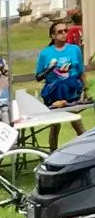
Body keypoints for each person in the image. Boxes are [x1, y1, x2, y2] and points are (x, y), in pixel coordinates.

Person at [35, 19, 86, 149]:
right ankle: (52, 152)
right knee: (55, 126)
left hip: (71, 92)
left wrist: (86, 90)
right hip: (54, 94)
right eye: (60, 32)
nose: (64, 33)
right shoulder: (45, 53)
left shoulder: (74, 49)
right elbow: (38, 77)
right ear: (53, 36)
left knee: (77, 123)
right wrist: (49, 70)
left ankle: (87, 151)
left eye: (65, 31)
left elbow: (81, 71)